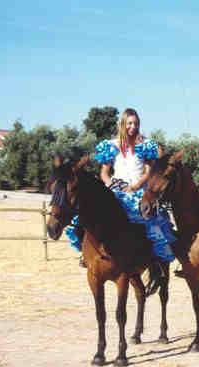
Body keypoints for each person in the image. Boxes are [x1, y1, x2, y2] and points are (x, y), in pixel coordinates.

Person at [65, 108, 176, 293]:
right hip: (116, 190)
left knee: (149, 221)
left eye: (136, 123)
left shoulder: (145, 145)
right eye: (130, 123)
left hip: (138, 191)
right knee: (85, 217)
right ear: (123, 124)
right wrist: (111, 184)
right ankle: (87, 255)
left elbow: (149, 172)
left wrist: (135, 186)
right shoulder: (110, 146)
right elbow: (104, 172)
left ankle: (155, 261)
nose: (133, 127)